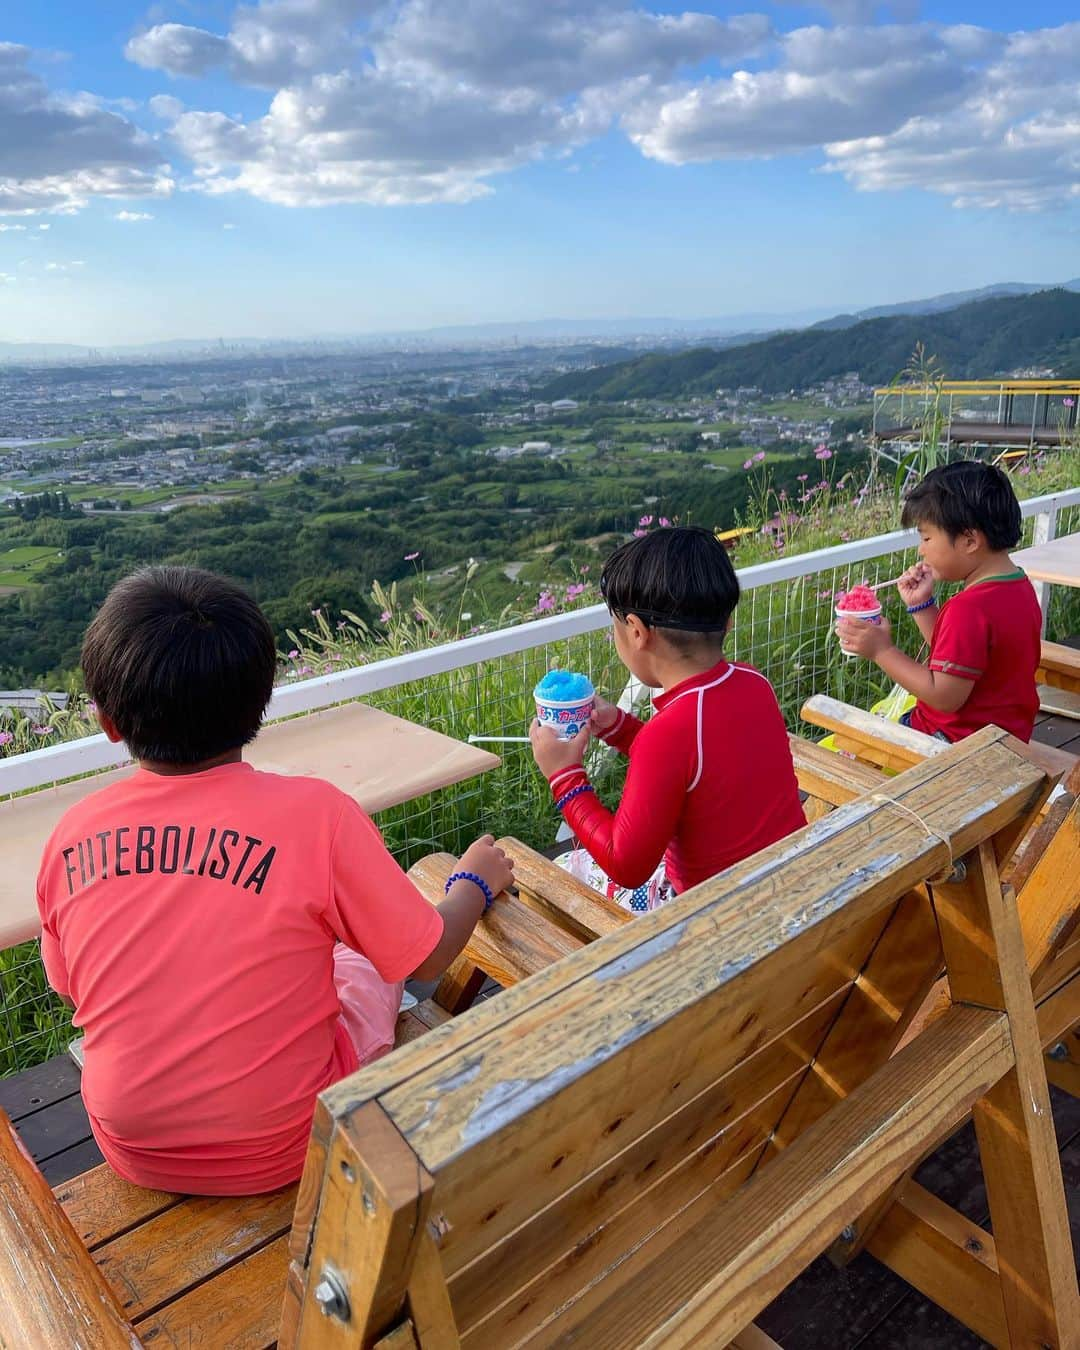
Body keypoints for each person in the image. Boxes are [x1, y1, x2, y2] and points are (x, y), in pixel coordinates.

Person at [36, 566, 512, 1195]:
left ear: (109, 722)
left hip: (133, 1148)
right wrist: (471, 887)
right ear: (261, 704)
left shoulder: (72, 836)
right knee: (365, 965)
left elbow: (74, 994)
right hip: (288, 1144)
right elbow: (426, 958)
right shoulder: (318, 816)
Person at [529, 526, 805, 912]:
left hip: (712, 915)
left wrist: (565, 777)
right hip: (786, 885)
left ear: (638, 632)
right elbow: (696, 766)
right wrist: (621, 728)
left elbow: (626, 866)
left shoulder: (669, 734)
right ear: (725, 622)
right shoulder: (753, 683)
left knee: (558, 872)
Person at [836, 461, 1041, 743]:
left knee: (846, 743)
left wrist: (881, 651)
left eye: (927, 537)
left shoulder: (968, 609)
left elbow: (944, 696)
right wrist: (921, 606)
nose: (921, 549)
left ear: (969, 541)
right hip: (1006, 736)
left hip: (954, 745)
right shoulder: (1018, 586)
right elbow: (964, 659)